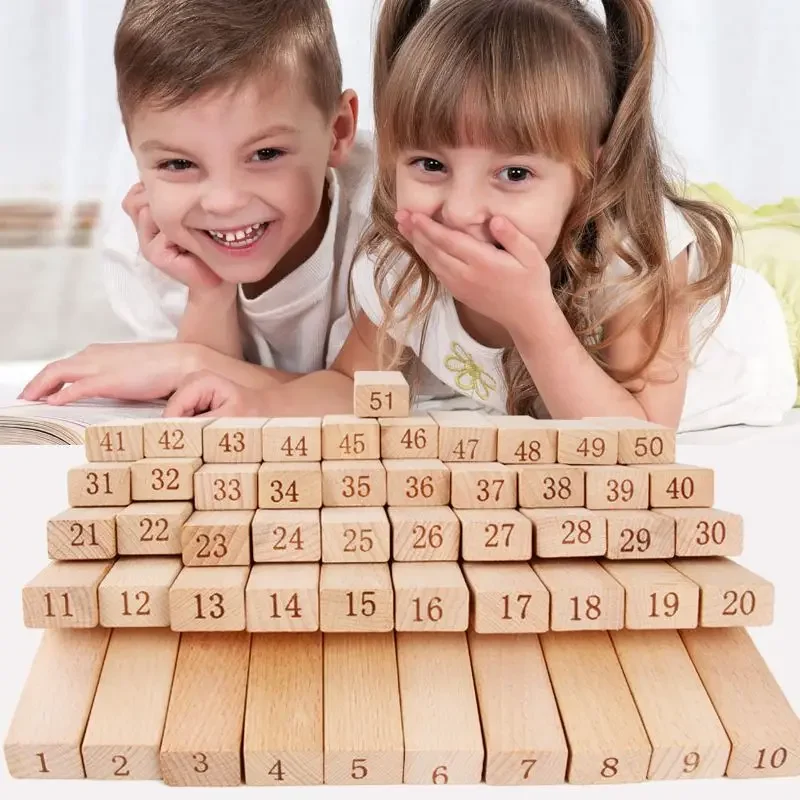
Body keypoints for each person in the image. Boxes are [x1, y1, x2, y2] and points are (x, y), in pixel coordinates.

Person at [155, 0, 799, 430]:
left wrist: (531, 316)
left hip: (760, 344)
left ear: (591, 173)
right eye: (430, 165)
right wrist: (262, 403)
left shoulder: (631, 257)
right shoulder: (402, 261)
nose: (460, 210)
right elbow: (353, 385)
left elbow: (639, 446)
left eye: (513, 173)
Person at [20, 0, 371, 405]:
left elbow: (371, 399)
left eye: (266, 154)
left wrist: (186, 362)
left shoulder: (387, 221)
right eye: (179, 163)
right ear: (134, 146)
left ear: (338, 130)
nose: (223, 202)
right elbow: (212, 402)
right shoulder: (146, 252)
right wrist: (209, 294)